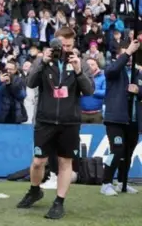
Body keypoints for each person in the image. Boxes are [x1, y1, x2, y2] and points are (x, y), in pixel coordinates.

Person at [18, 26, 94, 219]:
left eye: (69, 45)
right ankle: (35, 190)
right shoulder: (43, 60)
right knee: (38, 162)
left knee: (64, 162)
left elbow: (89, 90)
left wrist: (78, 71)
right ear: (55, 42)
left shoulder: (81, 63)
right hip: (45, 119)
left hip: (70, 121)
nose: (65, 49)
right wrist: (43, 62)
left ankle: (59, 202)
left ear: (73, 44)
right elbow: (30, 83)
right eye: (62, 45)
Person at [101, 41, 141, 196]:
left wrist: (138, 90)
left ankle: (122, 182)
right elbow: (111, 71)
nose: (130, 57)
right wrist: (128, 52)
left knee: (128, 153)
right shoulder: (113, 69)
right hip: (115, 118)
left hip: (133, 119)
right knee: (116, 151)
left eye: (132, 54)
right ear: (119, 55)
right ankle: (106, 183)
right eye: (126, 54)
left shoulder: (138, 73)